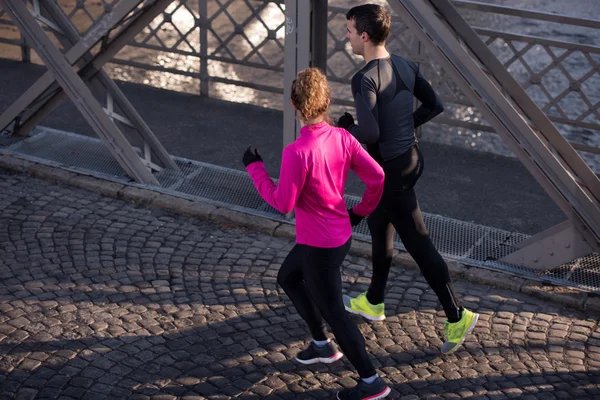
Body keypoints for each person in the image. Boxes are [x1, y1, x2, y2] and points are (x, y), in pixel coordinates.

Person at [338, 3, 479, 355]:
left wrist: (346, 128)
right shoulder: (405, 65)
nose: (347, 36)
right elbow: (434, 106)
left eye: (350, 30)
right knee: (379, 224)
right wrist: (404, 125)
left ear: (365, 36)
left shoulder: (365, 77)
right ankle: (373, 300)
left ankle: (456, 314)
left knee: (418, 243)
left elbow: (368, 133)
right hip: (410, 161)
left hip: (390, 173)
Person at [243, 67, 391, 399]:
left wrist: (255, 169)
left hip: (319, 245)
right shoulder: (342, 137)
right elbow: (378, 176)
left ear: (295, 105)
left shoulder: (297, 152)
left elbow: (283, 203)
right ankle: (321, 344)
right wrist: (360, 212)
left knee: (336, 313)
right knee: (288, 278)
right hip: (337, 235)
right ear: (326, 103)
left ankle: (372, 383)